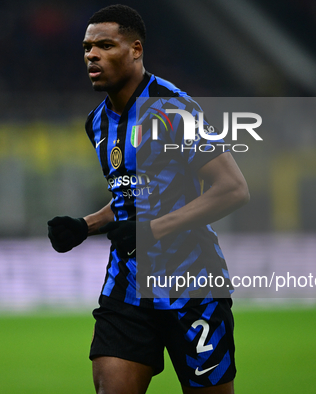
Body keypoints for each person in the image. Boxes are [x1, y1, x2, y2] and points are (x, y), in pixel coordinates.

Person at [48, 5, 249, 394]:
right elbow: (132, 196)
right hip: (127, 287)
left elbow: (233, 188)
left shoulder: (175, 109)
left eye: (105, 45)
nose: (92, 55)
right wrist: (85, 225)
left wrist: (152, 230)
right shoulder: (97, 122)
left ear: (136, 49)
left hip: (192, 286)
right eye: (87, 47)